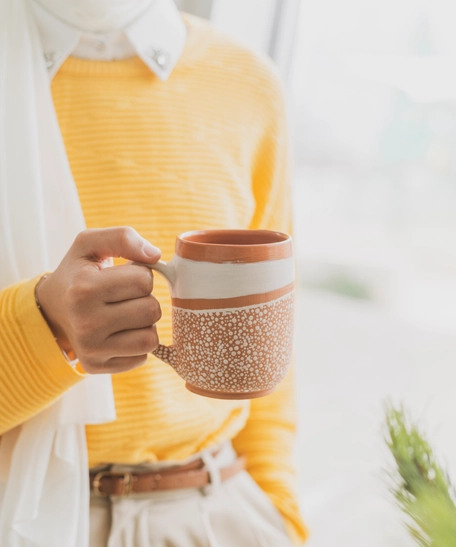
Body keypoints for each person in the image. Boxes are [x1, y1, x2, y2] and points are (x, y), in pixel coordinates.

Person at [0, 0, 308, 545]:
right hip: (23, 513)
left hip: (219, 510)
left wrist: (278, 513)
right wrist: (46, 326)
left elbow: (268, 331)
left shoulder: (249, 83)